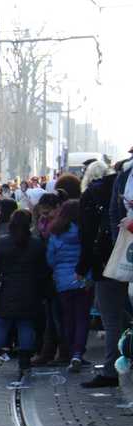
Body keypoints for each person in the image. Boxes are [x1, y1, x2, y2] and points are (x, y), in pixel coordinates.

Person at [77, 162, 123, 388]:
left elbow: (87, 236)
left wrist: (81, 268)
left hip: (105, 263)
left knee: (112, 319)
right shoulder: (121, 187)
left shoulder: (92, 194)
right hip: (125, 258)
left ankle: (111, 370)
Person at [0, 210, 50, 379]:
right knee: (26, 326)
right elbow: (44, 269)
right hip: (31, 291)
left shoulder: (2, 243)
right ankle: (24, 362)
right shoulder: (37, 244)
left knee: (1, 325)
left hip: (6, 290)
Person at [46, 199, 92, 372]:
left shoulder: (56, 233)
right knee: (82, 318)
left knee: (68, 318)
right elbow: (88, 254)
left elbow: (50, 259)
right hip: (83, 279)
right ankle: (78, 354)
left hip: (63, 282)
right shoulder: (84, 231)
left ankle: (72, 352)